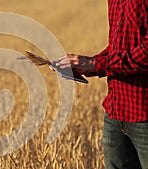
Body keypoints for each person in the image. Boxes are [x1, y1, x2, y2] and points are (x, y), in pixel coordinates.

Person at [55, 0, 148, 168]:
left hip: (144, 114)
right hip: (115, 111)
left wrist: (95, 64)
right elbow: (118, 50)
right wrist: (86, 65)